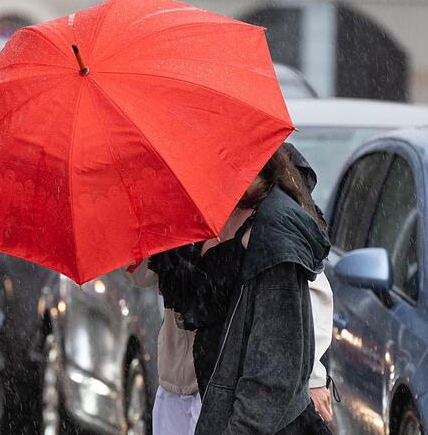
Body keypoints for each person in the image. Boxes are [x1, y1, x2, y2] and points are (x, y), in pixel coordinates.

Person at [128, 144, 334, 434]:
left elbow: (307, 294)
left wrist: (312, 377)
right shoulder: (176, 188)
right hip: (179, 384)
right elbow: (145, 277)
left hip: (232, 391)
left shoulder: (272, 219)